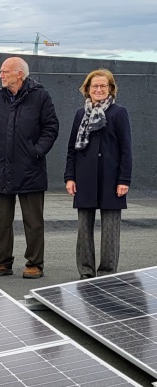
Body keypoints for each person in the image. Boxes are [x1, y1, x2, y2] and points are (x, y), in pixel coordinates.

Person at [0, 56, 59, 279]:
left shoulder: (40, 96)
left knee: (33, 221)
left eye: (4, 71)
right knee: (4, 221)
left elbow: (51, 127)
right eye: (1, 71)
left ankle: (35, 263)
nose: (1, 75)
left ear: (19, 73)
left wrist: (36, 152)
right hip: (3, 168)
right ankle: (3, 262)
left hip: (30, 168)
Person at [65, 69, 132, 279]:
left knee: (110, 232)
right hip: (84, 179)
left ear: (111, 89)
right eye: (95, 86)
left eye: (104, 86)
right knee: (84, 231)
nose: (99, 89)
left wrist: (124, 179)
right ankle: (86, 272)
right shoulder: (80, 114)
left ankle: (107, 273)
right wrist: (70, 177)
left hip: (112, 180)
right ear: (87, 89)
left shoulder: (119, 113)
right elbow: (71, 149)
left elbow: (126, 149)